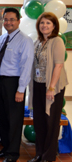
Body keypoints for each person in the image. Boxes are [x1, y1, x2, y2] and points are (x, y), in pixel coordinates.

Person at [0, 8, 34, 162]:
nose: (8, 22)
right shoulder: (3, 38)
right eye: (6, 19)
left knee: (14, 120)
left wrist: (21, 90)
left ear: (18, 21)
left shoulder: (25, 40)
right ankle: (6, 148)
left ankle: (13, 154)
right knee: (3, 118)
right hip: (1, 82)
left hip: (14, 83)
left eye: (12, 19)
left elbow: (26, 66)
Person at [27, 12, 68, 162]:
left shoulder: (57, 41)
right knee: (39, 122)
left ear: (54, 26)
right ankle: (39, 154)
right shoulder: (37, 42)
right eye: (42, 23)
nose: (44, 25)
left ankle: (48, 157)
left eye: (48, 23)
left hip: (52, 87)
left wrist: (51, 88)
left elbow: (58, 65)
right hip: (38, 85)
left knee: (51, 123)